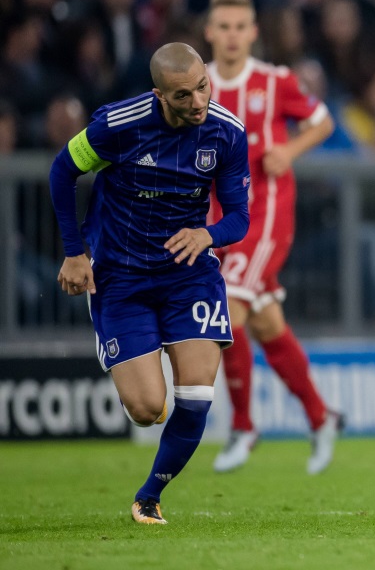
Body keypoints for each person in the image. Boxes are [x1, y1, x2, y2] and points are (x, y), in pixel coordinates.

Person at [49, 43, 251, 525]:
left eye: (203, 86)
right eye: (183, 95)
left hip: (190, 275)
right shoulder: (117, 126)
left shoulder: (227, 133)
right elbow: (62, 170)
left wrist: (207, 233)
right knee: (146, 410)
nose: (198, 101)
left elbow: (240, 216)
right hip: (121, 276)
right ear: (159, 94)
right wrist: (74, 253)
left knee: (197, 399)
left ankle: (149, 496)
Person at [204, 0, 342, 475]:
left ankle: (242, 426)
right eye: (224, 27)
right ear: (210, 32)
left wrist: (289, 152)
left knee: (226, 308)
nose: (233, 35)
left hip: (266, 219)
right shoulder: (196, 86)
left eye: (241, 26)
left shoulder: (274, 80)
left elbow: (323, 121)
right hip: (217, 222)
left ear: (253, 32)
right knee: (266, 326)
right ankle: (321, 418)